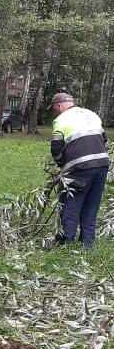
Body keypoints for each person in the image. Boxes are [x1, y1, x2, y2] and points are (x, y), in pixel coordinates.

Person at [50, 91, 109, 248]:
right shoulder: (91, 114)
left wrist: (62, 166)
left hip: (80, 167)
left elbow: (56, 149)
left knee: (70, 204)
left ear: (59, 106)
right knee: (91, 205)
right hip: (102, 164)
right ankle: (87, 244)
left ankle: (65, 243)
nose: (54, 112)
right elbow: (104, 139)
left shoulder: (61, 120)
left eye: (54, 108)